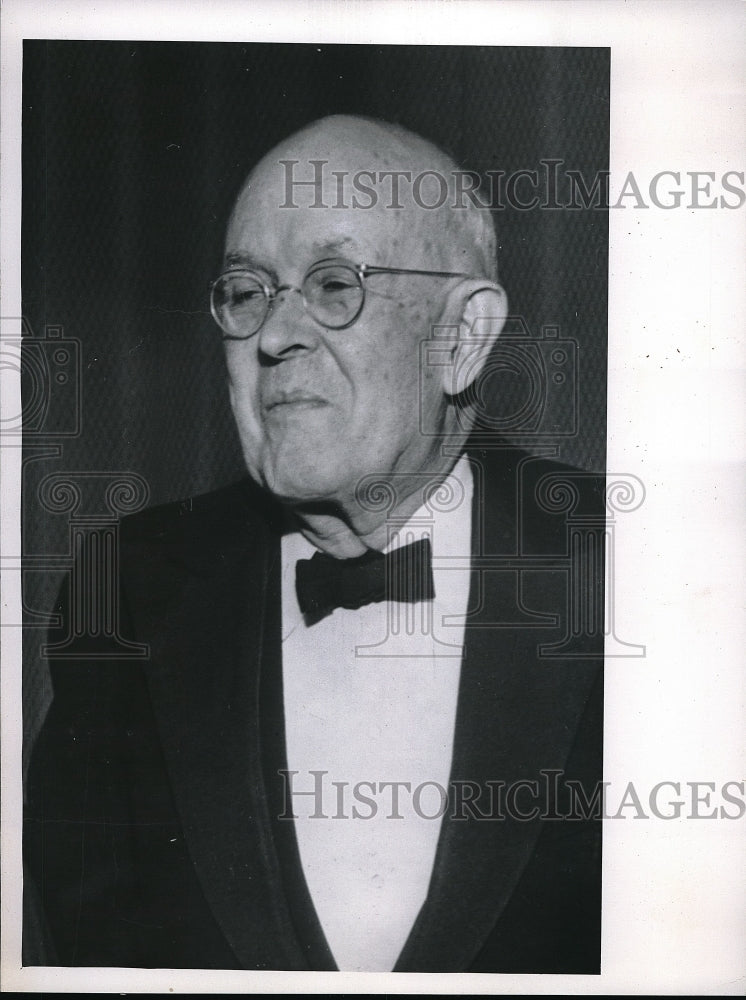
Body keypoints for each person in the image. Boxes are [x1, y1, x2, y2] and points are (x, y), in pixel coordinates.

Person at [24, 115, 604, 973]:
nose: (273, 335)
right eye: (247, 290)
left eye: (335, 285)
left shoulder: (640, 569)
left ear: (462, 337)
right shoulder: (129, 593)